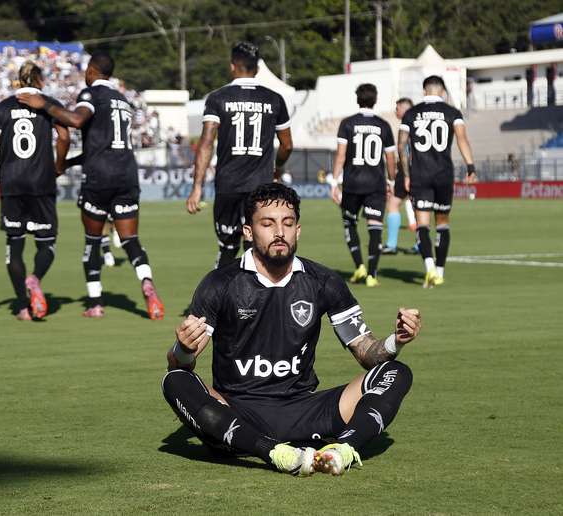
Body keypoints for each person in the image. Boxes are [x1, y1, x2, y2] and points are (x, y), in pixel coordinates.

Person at [162, 183, 421, 476]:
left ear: (298, 230)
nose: (279, 232)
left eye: (287, 223)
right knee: (175, 381)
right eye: (267, 223)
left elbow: (366, 353)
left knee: (396, 372)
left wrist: (394, 342)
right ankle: (274, 452)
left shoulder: (323, 281)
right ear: (248, 231)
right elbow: (182, 363)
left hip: (305, 411)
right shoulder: (219, 284)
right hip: (239, 414)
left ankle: (342, 450)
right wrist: (182, 347)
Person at [16, 52, 164, 320]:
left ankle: (95, 303)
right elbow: (104, 146)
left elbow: (76, 120)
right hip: (127, 175)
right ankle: (146, 281)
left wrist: (43, 105)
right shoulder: (123, 100)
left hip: (99, 178)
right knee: (130, 240)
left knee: (92, 240)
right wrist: (68, 163)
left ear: (93, 71)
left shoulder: (90, 94)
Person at [186, 41, 293, 268]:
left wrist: (197, 187)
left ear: (233, 66)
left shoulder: (217, 98)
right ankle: (254, 300)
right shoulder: (275, 99)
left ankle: (217, 299)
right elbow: (287, 146)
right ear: (257, 68)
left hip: (228, 185)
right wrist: (278, 167)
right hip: (260, 187)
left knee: (228, 247)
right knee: (257, 247)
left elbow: (206, 143)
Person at [0, 62, 70, 321]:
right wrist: (58, 166)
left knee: (14, 246)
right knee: (47, 243)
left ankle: (21, 306)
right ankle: (35, 279)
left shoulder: (3, 107)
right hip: (41, 183)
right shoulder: (47, 103)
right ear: (39, 80)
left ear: (19, 80)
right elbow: (64, 137)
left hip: (11, 185)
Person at [398, 76, 477, 287]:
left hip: (420, 175)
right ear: (442, 91)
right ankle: (440, 272)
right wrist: (471, 167)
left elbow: (401, 145)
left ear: (425, 91)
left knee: (422, 224)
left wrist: (406, 175)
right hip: (443, 175)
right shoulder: (453, 112)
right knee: (442, 223)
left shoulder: (410, 113)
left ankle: (429, 268)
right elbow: (462, 139)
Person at [330, 84, 397, 287]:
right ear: (375, 100)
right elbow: (391, 158)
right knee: (375, 228)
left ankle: (359, 266)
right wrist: (392, 180)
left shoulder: (347, 123)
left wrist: (334, 181)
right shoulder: (383, 125)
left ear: (357, 99)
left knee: (349, 224)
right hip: (376, 184)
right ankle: (372, 275)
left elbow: (341, 155)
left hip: (352, 184)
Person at [382, 98, 418, 255]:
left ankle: (391, 244)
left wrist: (403, 172)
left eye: (397, 108)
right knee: (417, 206)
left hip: (408, 171)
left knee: (394, 204)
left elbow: (405, 150)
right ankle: (419, 244)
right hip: (417, 170)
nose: (396, 111)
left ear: (404, 109)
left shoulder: (407, 125)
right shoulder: (418, 122)